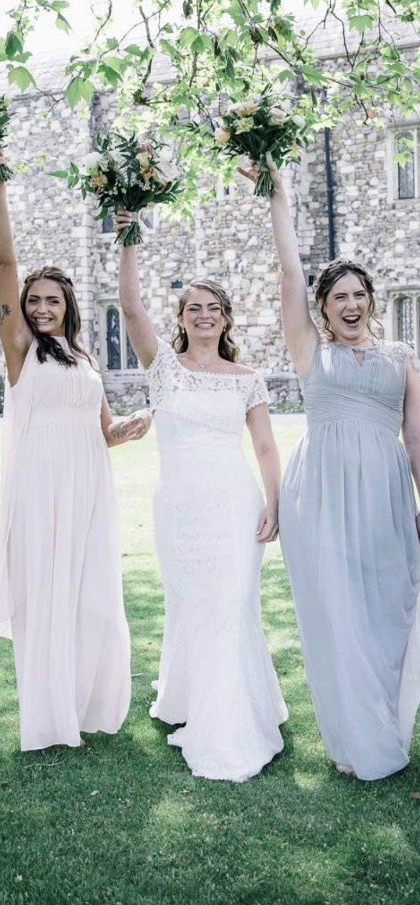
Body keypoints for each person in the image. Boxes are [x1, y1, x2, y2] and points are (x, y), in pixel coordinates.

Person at [246, 160, 420, 779]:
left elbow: (416, 438)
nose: (350, 304)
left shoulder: (402, 357)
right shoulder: (310, 352)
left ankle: (386, 720)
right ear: (321, 307)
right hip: (319, 493)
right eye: (337, 296)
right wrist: (280, 197)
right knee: (338, 613)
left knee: (392, 607)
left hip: (387, 495)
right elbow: (290, 272)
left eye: (358, 294)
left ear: (371, 300)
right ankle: (355, 742)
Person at [0, 148, 151, 751]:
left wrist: (126, 428)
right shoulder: (20, 350)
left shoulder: (83, 357)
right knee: (46, 597)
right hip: (42, 485)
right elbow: (5, 262)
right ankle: (48, 717)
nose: (42, 307)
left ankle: (85, 701)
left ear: (69, 306)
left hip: (89, 485)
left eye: (53, 300)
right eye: (35, 301)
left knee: (91, 596)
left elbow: (102, 429)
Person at [116, 211, 287, 782]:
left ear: (226, 319)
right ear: (182, 318)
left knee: (231, 606)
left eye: (214, 308)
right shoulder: (163, 367)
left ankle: (231, 723)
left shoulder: (248, 377)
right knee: (193, 606)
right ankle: (191, 699)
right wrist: (129, 238)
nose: (205, 315)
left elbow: (264, 447)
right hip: (180, 509)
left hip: (235, 505)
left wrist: (275, 500)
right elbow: (131, 306)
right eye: (195, 307)